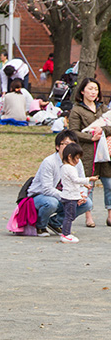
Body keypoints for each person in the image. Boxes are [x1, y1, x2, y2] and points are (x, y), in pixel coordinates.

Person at [26, 130, 93, 236]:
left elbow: (81, 182)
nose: (69, 147)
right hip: (40, 196)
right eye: (66, 144)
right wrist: (68, 197)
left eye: (72, 144)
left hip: (64, 196)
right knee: (51, 203)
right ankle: (41, 226)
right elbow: (47, 189)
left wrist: (81, 195)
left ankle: (55, 222)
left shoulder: (77, 162)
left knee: (87, 203)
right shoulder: (49, 162)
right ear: (58, 146)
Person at [68, 77, 111, 227]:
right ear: (82, 91)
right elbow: (73, 131)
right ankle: (88, 215)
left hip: (105, 152)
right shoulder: (77, 110)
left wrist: (103, 130)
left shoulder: (103, 109)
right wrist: (90, 137)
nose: (93, 92)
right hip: (87, 152)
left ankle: (110, 214)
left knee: (109, 183)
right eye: (90, 89)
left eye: (96, 89)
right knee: (88, 184)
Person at [60, 143, 98, 243]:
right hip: (70, 197)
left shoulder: (64, 167)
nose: (78, 161)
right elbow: (76, 179)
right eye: (76, 158)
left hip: (66, 194)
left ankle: (65, 233)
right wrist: (89, 179)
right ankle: (66, 234)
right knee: (70, 216)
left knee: (68, 215)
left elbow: (72, 181)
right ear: (69, 157)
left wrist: (84, 184)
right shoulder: (71, 168)